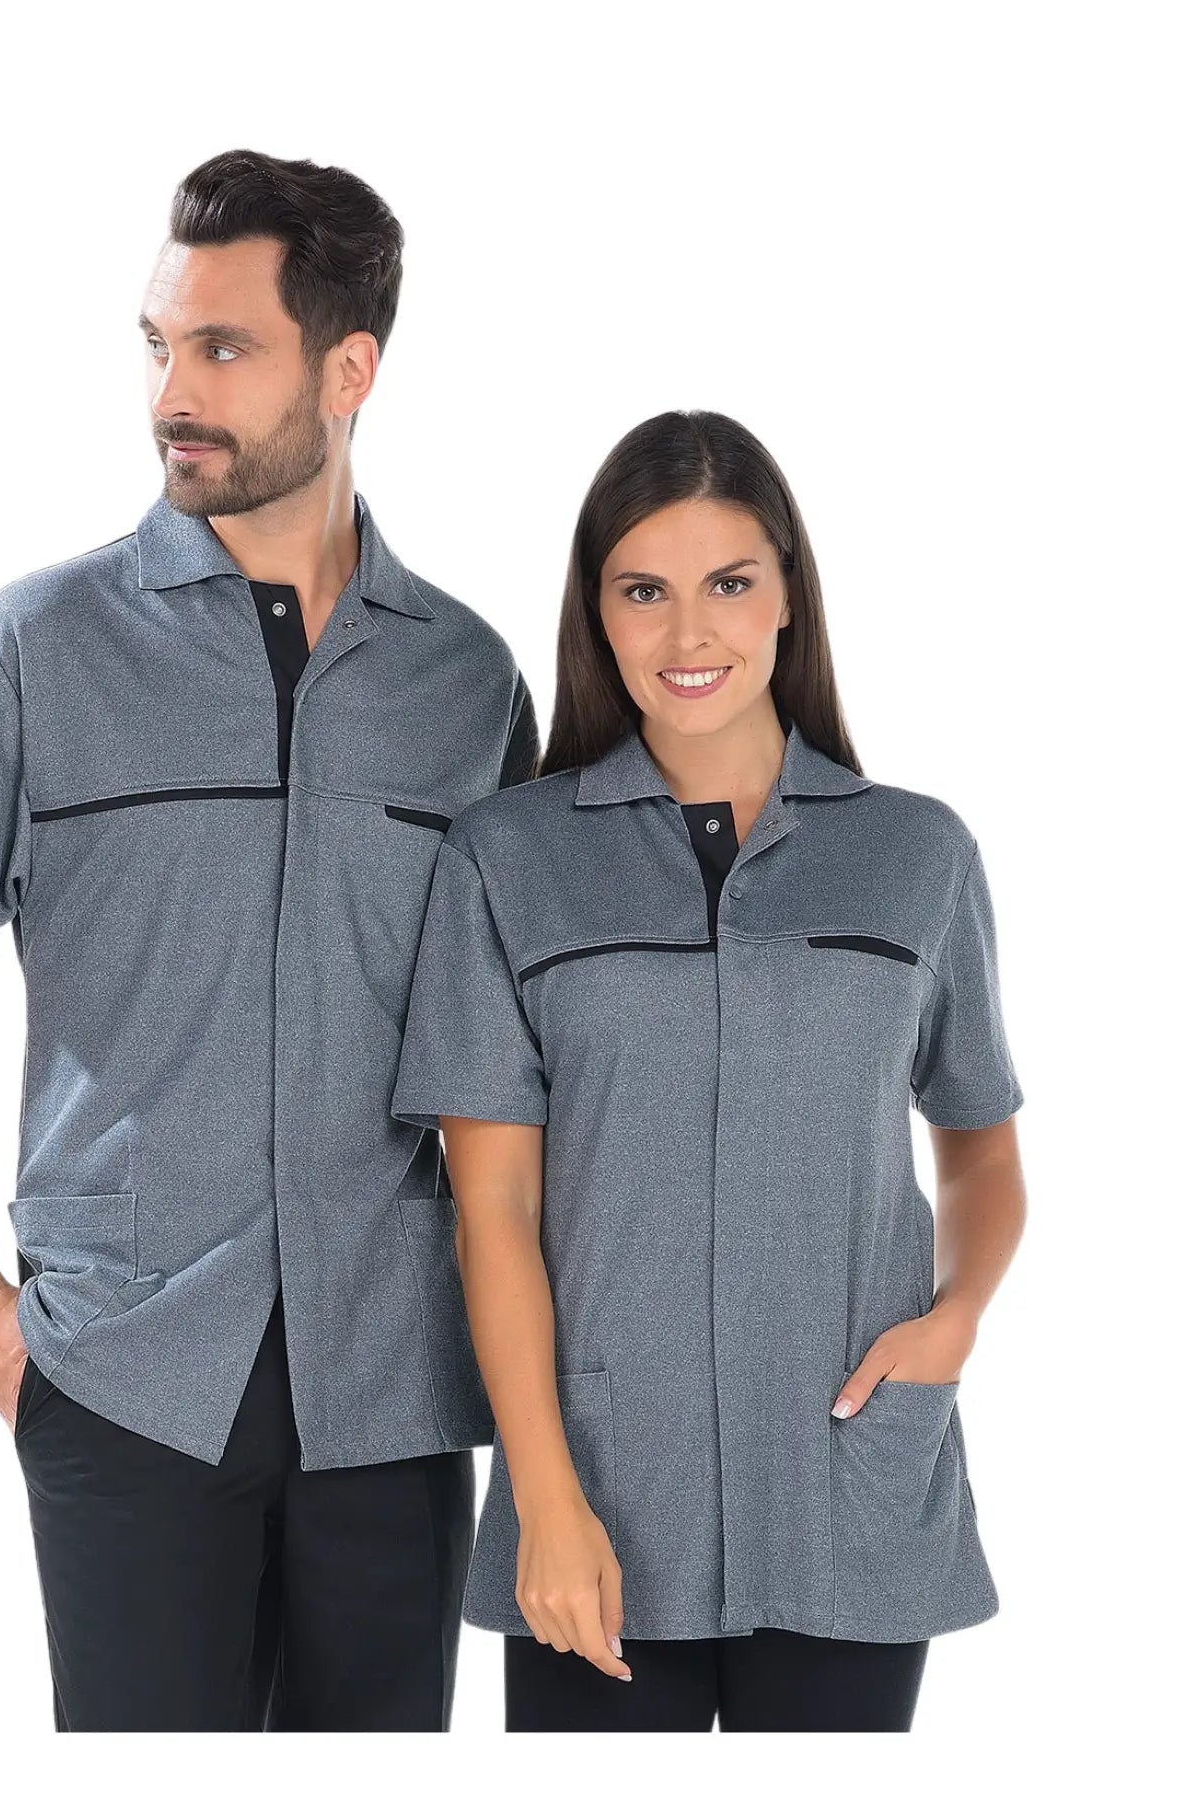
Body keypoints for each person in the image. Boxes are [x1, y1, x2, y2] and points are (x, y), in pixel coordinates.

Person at [0, 149, 538, 1731]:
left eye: (224, 348)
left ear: (349, 371)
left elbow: (512, 1071)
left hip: (394, 1388)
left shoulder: (467, 685)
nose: (174, 393)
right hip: (123, 1375)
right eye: (159, 345)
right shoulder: (38, 648)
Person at [389, 410, 1027, 1731]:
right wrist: (546, 1499)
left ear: (789, 594)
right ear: (598, 612)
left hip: (846, 1481)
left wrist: (956, 1317)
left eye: (729, 584)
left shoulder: (917, 857)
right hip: (606, 1498)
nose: (690, 634)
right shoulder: (507, 858)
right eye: (644, 591)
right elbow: (493, 1208)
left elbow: (980, 1145)